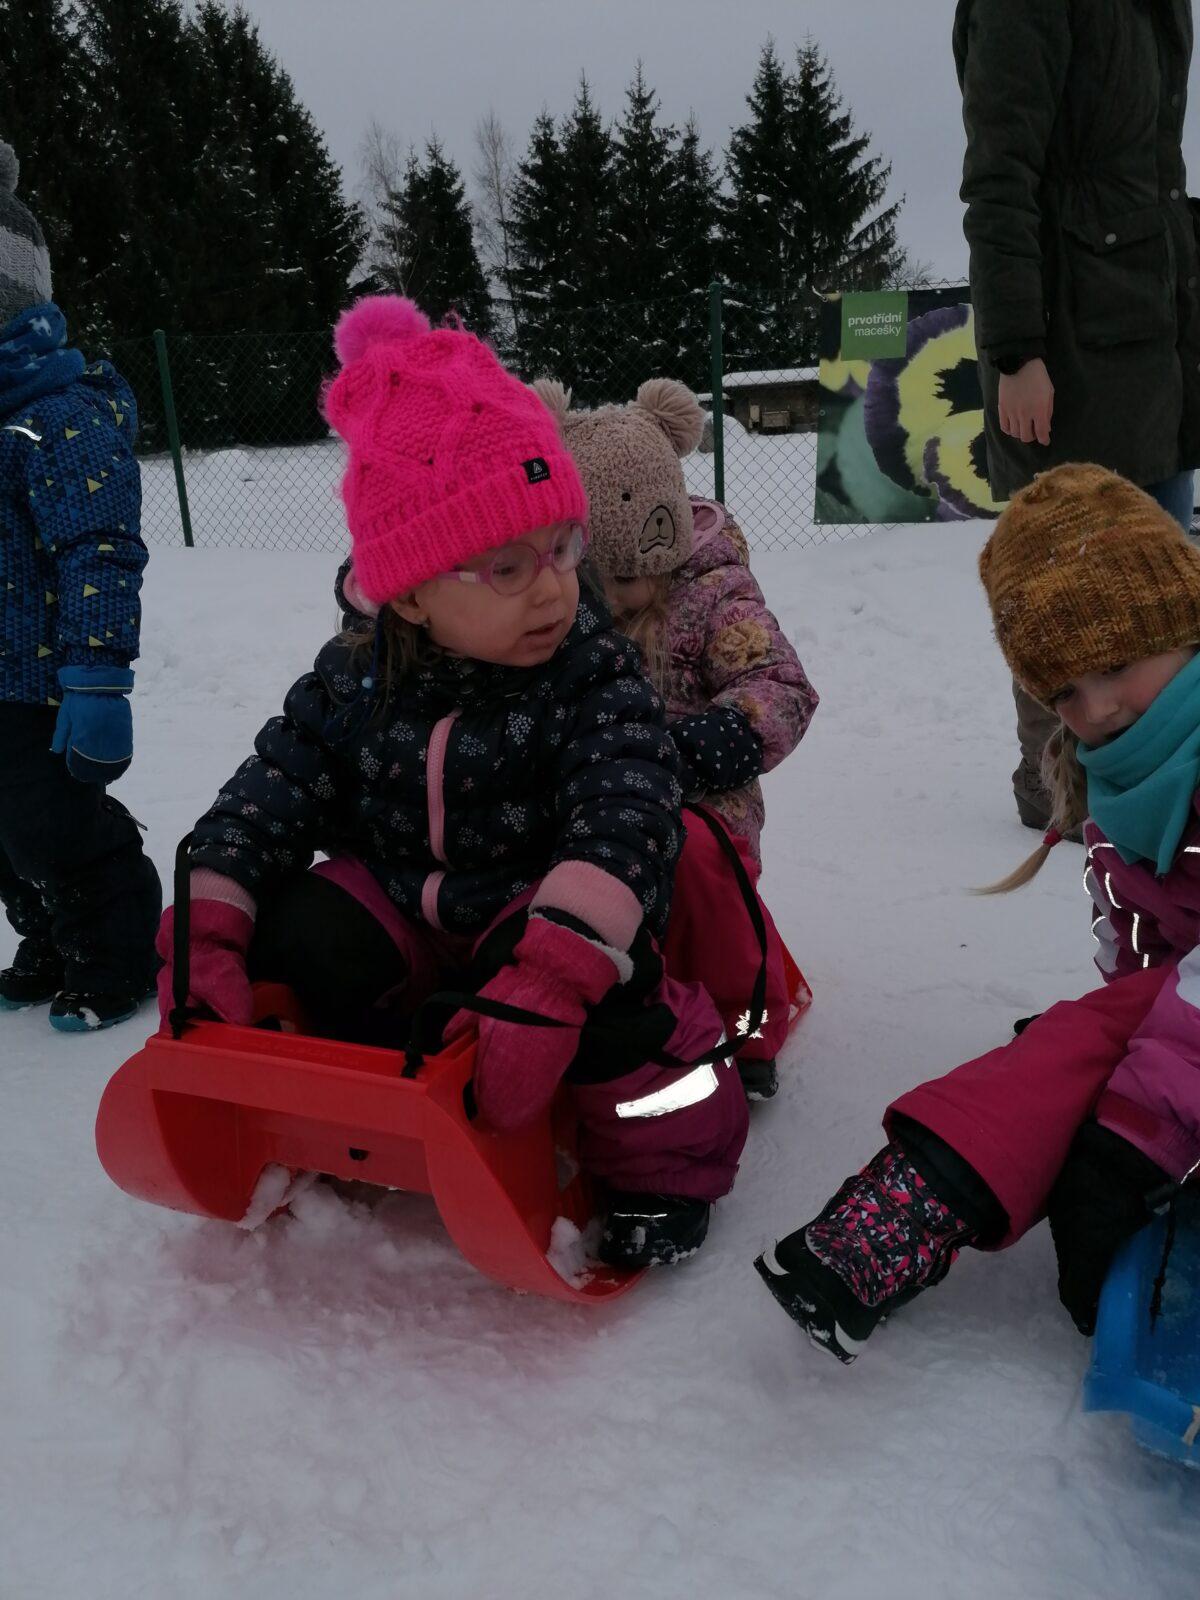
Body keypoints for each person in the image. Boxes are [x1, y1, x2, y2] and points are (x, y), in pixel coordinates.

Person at [156, 296, 748, 1268]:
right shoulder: (356, 675)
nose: (557, 585)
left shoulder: (590, 674)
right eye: (509, 566)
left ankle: (663, 1165)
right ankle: (339, 1100)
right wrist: (207, 925)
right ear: (412, 590)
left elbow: (624, 816)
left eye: (563, 546)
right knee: (294, 924)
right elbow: (266, 794)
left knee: (617, 988)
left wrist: (555, 974)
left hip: (539, 916)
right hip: (406, 915)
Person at [755, 464, 1200, 1361]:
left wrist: (1140, 1128)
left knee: (1112, 1046)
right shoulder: (1123, 772)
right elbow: (1145, 956)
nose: (1097, 706)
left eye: (1115, 665)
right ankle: (896, 1218)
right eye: (1065, 690)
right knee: (1073, 1046)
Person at [534, 376, 818, 1101]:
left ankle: (745, 1016)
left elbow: (779, 685)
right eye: (602, 575)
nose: (620, 593)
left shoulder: (713, 592)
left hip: (702, 799)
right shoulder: (559, 609)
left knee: (691, 859)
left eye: (633, 574)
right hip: (595, 797)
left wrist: (703, 746)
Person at [954, 0, 1200, 831]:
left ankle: (1169, 782)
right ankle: (1067, 788)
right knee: (1071, 593)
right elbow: (1000, 177)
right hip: (1072, 347)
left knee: (1161, 589)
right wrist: (1016, 352)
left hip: (1155, 337)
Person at [0, 141, 160, 1030]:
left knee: (50, 824)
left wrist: (96, 672)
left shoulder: (57, 418)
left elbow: (98, 546)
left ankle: (117, 941)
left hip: (40, 677)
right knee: (2, 836)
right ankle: (53, 929)